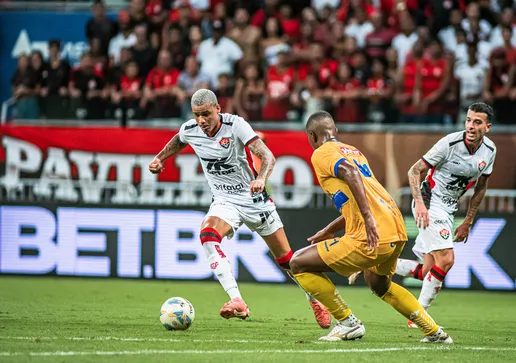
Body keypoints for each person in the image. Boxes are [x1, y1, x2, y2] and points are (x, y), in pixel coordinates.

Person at [148, 89, 331, 328]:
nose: (202, 120)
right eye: (197, 115)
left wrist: (261, 179)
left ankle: (315, 300)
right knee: (208, 236)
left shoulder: (236, 125)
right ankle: (237, 300)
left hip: (254, 200)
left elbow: (268, 157)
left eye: (206, 114)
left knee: (288, 261)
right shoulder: (191, 129)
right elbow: (178, 140)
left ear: (217, 109)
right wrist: (160, 158)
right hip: (224, 201)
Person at [288, 110, 452, 343]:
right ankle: (434, 331)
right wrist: (333, 228)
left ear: (312, 136)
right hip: (395, 229)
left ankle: (347, 323)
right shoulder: (354, 151)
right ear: (335, 132)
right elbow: (364, 194)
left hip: (372, 233)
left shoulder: (322, 153)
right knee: (379, 284)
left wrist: (366, 218)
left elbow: (350, 172)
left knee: (299, 263)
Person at [393, 102, 497, 328]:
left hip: (448, 210)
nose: (470, 126)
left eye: (477, 122)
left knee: (429, 271)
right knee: (447, 260)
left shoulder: (489, 151)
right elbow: (414, 170)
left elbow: (481, 187)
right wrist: (419, 203)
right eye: (468, 120)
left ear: (487, 127)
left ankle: (375, 265)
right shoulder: (449, 143)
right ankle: (419, 317)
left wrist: (468, 220)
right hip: (429, 202)